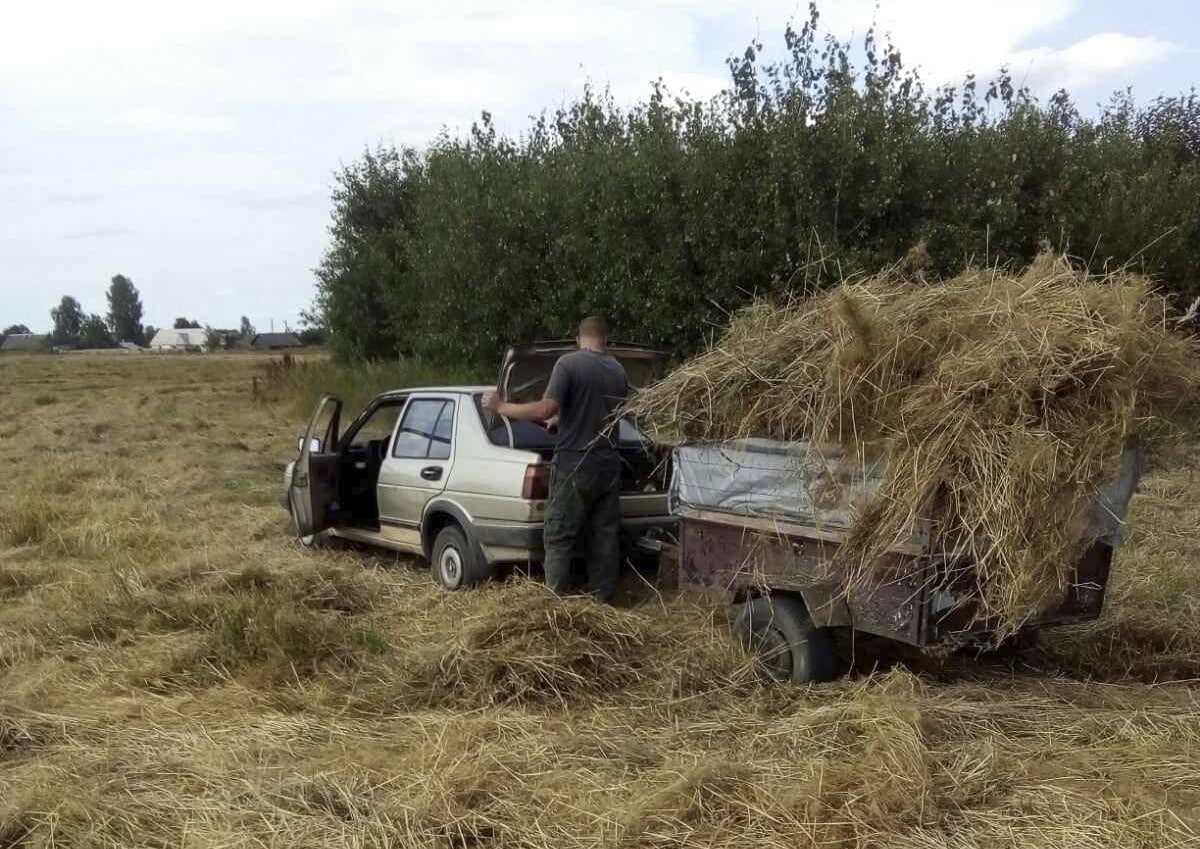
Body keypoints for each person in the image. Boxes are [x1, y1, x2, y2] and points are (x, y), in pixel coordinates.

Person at [482, 316, 628, 603]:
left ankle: (554, 608)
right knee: (604, 538)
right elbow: (602, 411)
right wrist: (563, 420)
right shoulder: (618, 369)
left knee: (559, 537)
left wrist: (501, 406)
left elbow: (544, 408)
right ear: (606, 341)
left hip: (575, 465)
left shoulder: (569, 364)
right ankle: (603, 603)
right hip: (609, 466)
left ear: (577, 339)